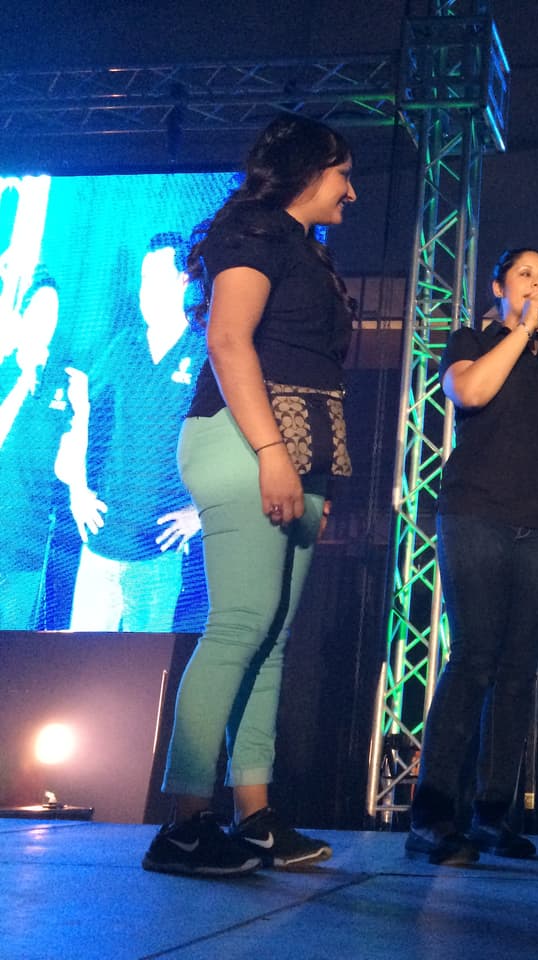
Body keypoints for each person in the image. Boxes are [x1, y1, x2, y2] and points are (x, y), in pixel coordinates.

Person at [142, 113, 358, 877]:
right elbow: (229, 340)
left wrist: (312, 473)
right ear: (306, 170)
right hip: (244, 442)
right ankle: (183, 826)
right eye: (343, 175)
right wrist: (272, 454)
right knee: (239, 627)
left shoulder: (301, 245)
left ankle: (256, 817)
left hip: (298, 456)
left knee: (271, 637)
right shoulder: (255, 230)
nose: (353, 192)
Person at [404, 248, 538, 865]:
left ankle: (493, 814)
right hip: (477, 514)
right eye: (526, 274)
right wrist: (521, 330)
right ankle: (432, 815)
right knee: (474, 657)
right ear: (498, 286)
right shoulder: (473, 339)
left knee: (520, 669)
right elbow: (469, 391)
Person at [56, 233, 205, 631]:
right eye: (142, 279)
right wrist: (77, 491)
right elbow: (79, 414)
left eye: (155, 278)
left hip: (158, 556)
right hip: (100, 545)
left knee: (145, 663)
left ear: (183, 282)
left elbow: (234, 445)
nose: (144, 291)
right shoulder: (124, 346)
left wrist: (201, 512)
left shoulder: (203, 354)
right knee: (82, 662)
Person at [0, 270, 66, 628]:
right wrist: (20, 383)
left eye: (52, 314)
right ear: (23, 315)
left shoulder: (63, 381)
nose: (45, 322)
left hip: (28, 545)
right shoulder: (4, 369)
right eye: (39, 310)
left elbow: (63, 463)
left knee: (13, 643)